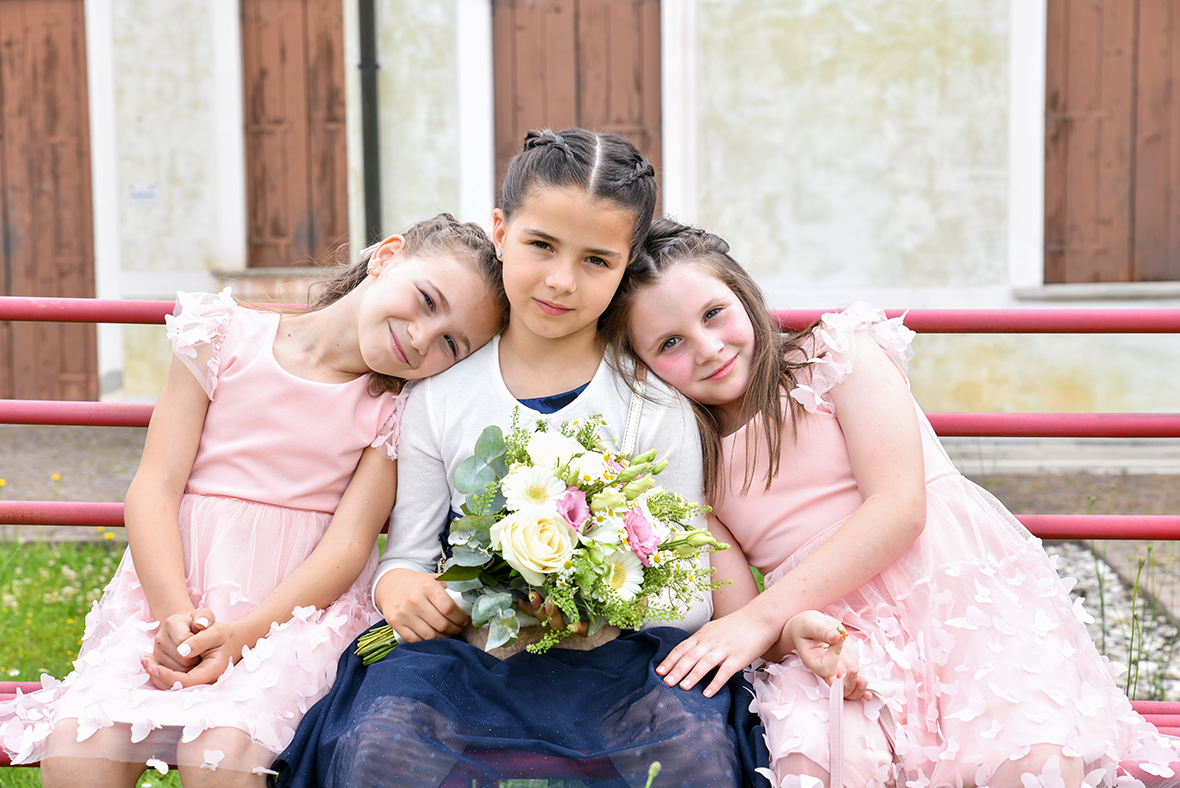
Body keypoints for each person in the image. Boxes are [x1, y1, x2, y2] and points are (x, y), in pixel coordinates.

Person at [608, 218, 1180, 788]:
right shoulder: (693, 465)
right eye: (670, 343)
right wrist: (792, 629)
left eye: (713, 313)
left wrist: (763, 615)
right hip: (832, 637)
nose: (708, 348)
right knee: (822, 760)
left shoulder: (835, 358)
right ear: (643, 366)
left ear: (744, 295)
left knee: (1024, 760)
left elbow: (900, 508)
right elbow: (743, 624)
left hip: (953, 605)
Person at [272, 129, 765, 788]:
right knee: (376, 747)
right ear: (501, 231)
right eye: (541, 245)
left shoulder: (654, 408)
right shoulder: (438, 397)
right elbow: (409, 557)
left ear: (623, 269)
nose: (561, 280)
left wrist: (583, 596)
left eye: (596, 261)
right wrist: (407, 592)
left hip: (616, 662)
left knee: (693, 753)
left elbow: (684, 592)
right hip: (468, 659)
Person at [0, 214, 507, 787]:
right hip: (172, 598)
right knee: (79, 747)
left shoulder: (396, 408)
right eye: (426, 300)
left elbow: (346, 545)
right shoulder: (223, 336)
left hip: (291, 623)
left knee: (223, 755)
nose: (420, 337)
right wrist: (173, 618)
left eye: (450, 343)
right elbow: (154, 488)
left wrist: (243, 637)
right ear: (387, 255)